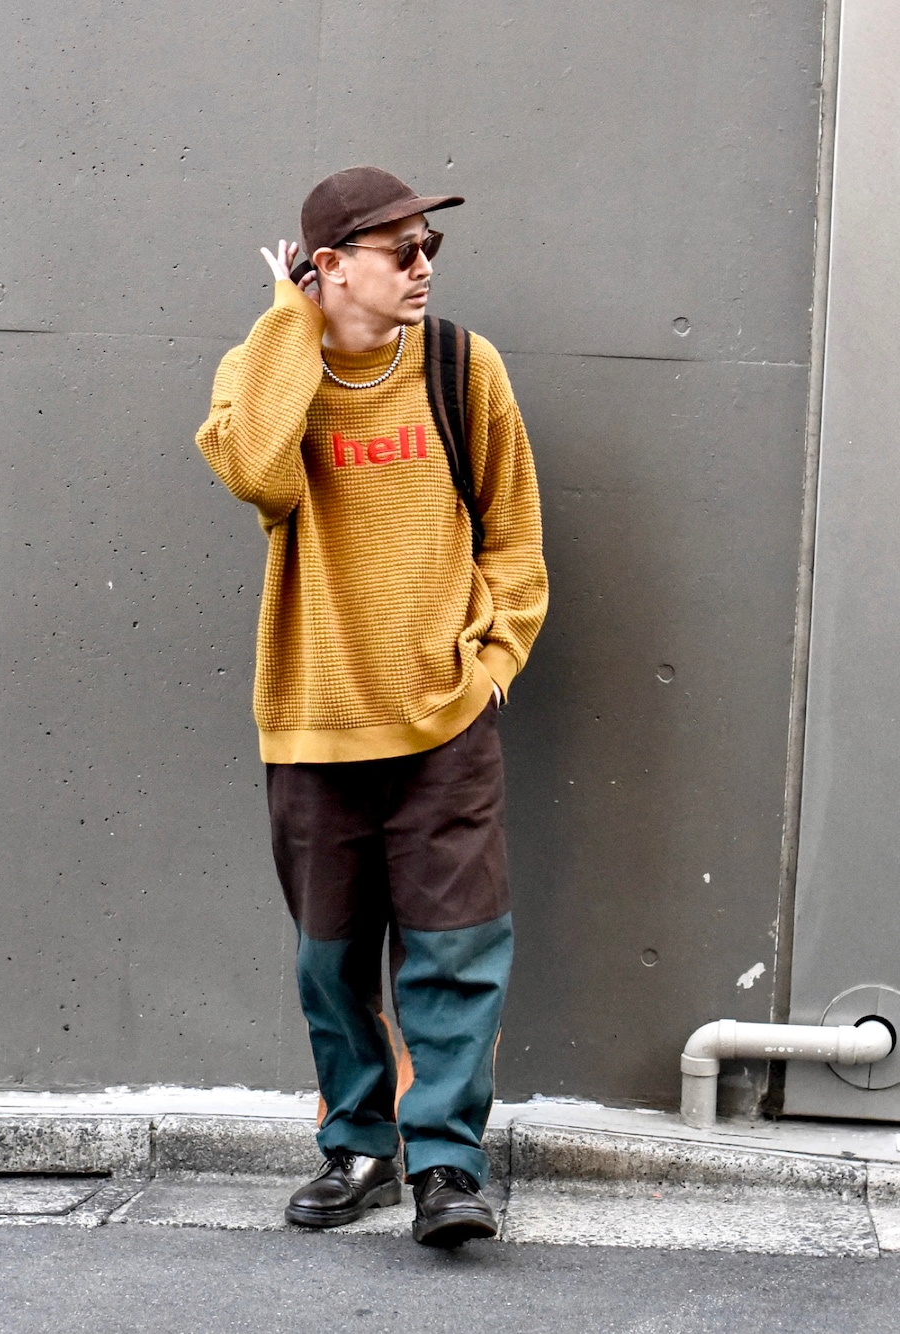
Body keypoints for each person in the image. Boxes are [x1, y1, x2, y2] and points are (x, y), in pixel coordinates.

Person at [195, 166, 547, 1247]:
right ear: (331, 265)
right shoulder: (268, 372)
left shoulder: (461, 366)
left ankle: (445, 1164)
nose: (424, 265)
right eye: (401, 249)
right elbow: (256, 474)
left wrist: (491, 664)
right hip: (314, 717)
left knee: (455, 952)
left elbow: (513, 536)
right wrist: (286, 322)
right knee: (331, 959)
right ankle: (357, 1146)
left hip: (444, 719)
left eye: (430, 246)